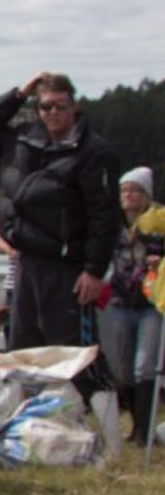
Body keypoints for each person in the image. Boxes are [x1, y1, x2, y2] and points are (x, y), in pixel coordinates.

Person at [0, 71, 119, 353]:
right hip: (25, 261)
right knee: (22, 350)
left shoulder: (94, 152)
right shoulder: (21, 138)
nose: (53, 112)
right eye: (45, 106)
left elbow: (104, 215)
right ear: (37, 108)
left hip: (66, 266)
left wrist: (94, 270)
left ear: (73, 107)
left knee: (70, 352)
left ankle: (89, 398)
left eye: (60, 106)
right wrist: (19, 93)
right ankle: (28, 398)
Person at [102, 167, 165, 443]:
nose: (129, 196)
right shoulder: (111, 224)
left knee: (145, 365)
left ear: (147, 195)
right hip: (118, 301)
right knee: (122, 367)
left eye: (135, 191)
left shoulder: (159, 221)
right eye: (125, 190)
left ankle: (143, 430)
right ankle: (135, 424)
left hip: (150, 302)